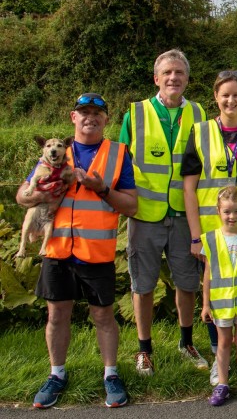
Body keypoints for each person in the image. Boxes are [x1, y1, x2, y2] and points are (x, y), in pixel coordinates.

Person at [17, 93, 138, 408]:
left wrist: (102, 188)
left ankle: (111, 374)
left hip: (96, 251)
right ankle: (56, 374)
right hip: (57, 249)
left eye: (97, 113)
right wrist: (35, 197)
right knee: (57, 315)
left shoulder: (118, 154)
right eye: (84, 112)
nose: (90, 118)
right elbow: (22, 196)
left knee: (103, 315)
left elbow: (132, 205)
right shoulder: (56, 152)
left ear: (106, 120)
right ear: (73, 117)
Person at [119, 49, 208, 376]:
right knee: (142, 284)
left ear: (186, 79)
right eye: (167, 73)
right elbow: (121, 165)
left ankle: (186, 344)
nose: (173, 78)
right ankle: (144, 350)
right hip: (144, 215)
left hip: (186, 216)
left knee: (187, 283)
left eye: (179, 73)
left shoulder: (199, 114)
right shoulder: (136, 113)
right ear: (156, 78)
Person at [181, 70, 237, 385]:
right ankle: (219, 362)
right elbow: (189, 189)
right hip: (212, 234)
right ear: (216, 98)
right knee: (216, 296)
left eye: (236, 94)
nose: (230, 100)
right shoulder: (200, 132)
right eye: (224, 95)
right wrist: (196, 236)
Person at [201, 186, 237, 406]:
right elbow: (207, 274)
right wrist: (205, 304)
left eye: (236, 211)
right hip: (220, 304)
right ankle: (223, 384)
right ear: (218, 211)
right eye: (227, 211)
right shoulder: (210, 239)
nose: (232, 216)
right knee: (224, 342)